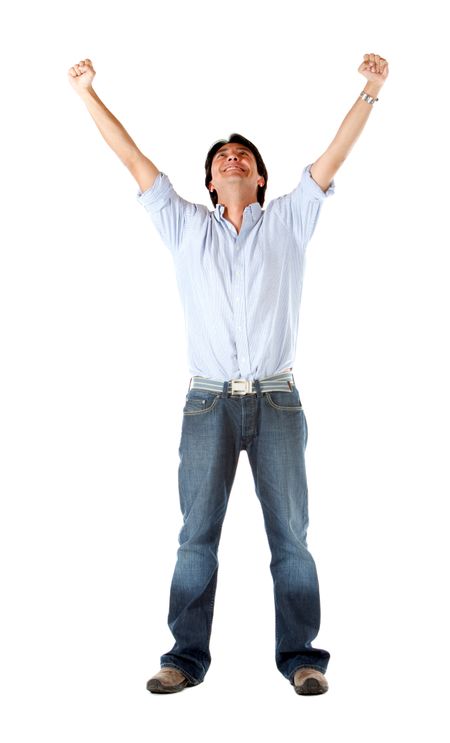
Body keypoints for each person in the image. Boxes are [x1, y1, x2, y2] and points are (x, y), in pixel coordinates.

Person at [68, 53, 389, 696]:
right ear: (210, 182)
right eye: (221, 158)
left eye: (243, 155)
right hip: (207, 405)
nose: (232, 160)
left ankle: (302, 658)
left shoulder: (293, 222)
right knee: (196, 537)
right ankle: (183, 660)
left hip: (278, 401)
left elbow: (335, 155)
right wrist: (86, 93)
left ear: (261, 176)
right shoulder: (185, 226)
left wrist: (371, 90)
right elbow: (131, 158)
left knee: (291, 539)